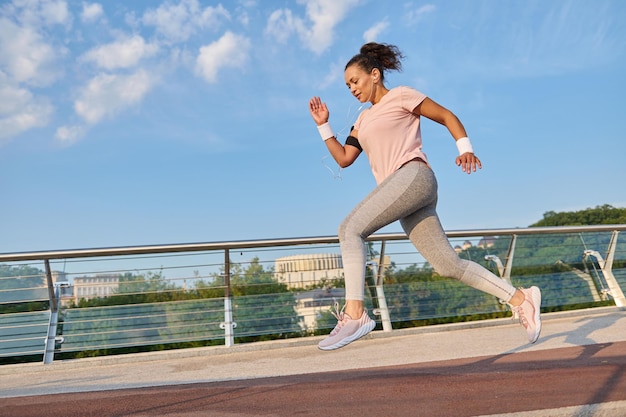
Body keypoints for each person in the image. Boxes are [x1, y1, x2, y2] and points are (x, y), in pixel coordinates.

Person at [308, 42, 541, 351]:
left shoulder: (401, 95)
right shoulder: (361, 120)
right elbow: (344, 158)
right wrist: (324, 126)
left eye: (356, 80)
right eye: (347, 85)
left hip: (414, 177)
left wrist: (465, 149)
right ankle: (521, 298)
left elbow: (445, 115)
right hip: (402, 193)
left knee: (349, 229)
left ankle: (355, 314)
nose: (352, 88)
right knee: (448, 265)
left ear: (374, 74)